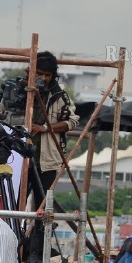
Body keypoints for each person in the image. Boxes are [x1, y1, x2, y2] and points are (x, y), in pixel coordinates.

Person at [27, 51, 78, 201]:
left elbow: (73, 121)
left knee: (42, 204)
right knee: (15, 202)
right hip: (19, 158)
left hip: (46, 161)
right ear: (31, 72)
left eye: (47, 75)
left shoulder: (59, 95)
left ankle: (39, 226)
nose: (43, 78)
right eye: (39, 73)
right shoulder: (19, 90)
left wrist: (45, 128)